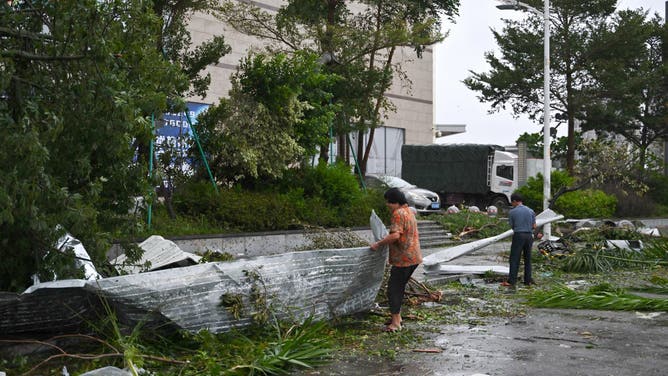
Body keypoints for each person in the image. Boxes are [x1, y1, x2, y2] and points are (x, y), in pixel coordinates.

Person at [370, 188, 422, 332]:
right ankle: (397, 318)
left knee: (393, 290)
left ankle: (395, 324)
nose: (387, 205)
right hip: (414, 256)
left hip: (404, 258)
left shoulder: (398, 213)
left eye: (388, 202)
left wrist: (378, 244)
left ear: (395, 201)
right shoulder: (409, 212)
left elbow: (395, 236)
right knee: (398, 288)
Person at [502, 193, 539, 288]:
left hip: (519, 235)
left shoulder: (512, 212)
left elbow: (512, 226)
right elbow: (534, 226)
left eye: (512, 202)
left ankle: (511, 281)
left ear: (514, 201)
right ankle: (528, 280)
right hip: (529, 236)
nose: (512, 204)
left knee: (514, 258)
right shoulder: (530, 211)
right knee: (528, 258)